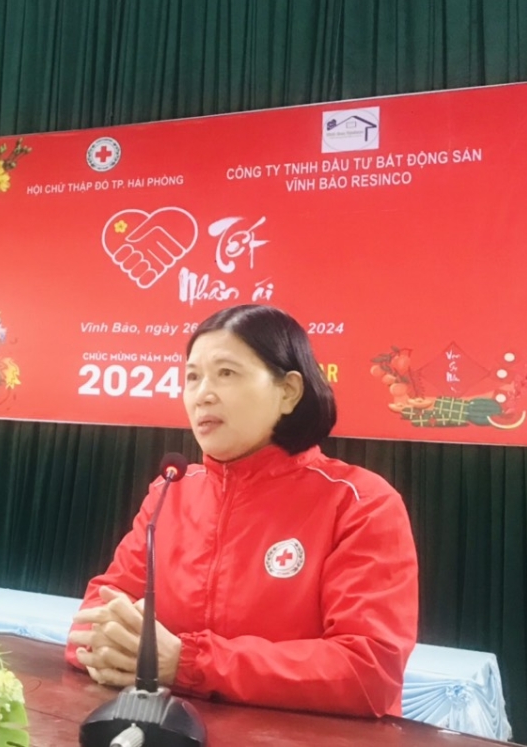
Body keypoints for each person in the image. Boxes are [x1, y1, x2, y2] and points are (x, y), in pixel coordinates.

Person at [65, 304, 419, 717]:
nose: (203, 394)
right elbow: (93, 618)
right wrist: (106, 645)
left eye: (226, 373)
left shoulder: (359, 502)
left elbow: (367, 671)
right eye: (192, 377)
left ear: (289, 392)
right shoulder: (169, 493)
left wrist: (189, 663)